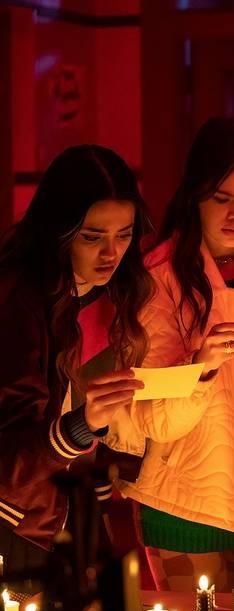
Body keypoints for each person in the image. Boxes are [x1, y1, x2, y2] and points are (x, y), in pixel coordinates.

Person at [119, 118, 234, 592]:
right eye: (223, 199)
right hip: (184, 497)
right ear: (196, 195)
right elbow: (156, 420)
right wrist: (200, 368)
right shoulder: (158, 277)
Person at [0, 145, 152, 573]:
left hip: (64, 514)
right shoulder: (20, 300)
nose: (112, 253)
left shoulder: (88, 292)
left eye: (124, 235)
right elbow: (12, 459)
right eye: (92, 236)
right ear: (59, 230)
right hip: (16, 523)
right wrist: (84, 423)